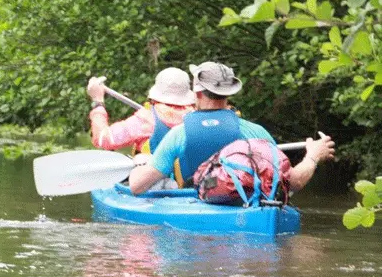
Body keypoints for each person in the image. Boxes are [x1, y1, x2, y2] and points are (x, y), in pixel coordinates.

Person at [128, 61, 335, 195]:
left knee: (144, 164)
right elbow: (292, 182)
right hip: (244, 208)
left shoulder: (179, 134)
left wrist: (140, 163)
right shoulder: (255, 133)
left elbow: (137, 187)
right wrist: (313, 156)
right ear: (229, 93)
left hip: (194, 209)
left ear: (197, 94)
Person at [86, 67, 195, 154]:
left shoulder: (146, 120)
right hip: (189, 179)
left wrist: (98, 101)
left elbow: (102, 139)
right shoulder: (197, 116)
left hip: (153, 179)